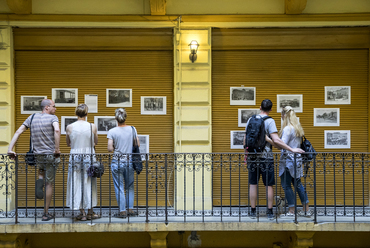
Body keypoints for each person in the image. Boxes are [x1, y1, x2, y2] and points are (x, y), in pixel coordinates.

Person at [244, 99, 304, 220]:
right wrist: (291, 149)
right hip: (266, 157)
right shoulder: (270, 121)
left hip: (252, 157)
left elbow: (245, 139)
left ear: (260, 107)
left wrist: (246, 154)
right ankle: (270, 212)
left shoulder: (251, 119)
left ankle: (252, 211)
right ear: (271, 109)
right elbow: (276, 141)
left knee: (253, 184)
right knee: (269, 185)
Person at [8, 99, 60, 221]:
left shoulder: (31, 117)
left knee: (41, 171)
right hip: (50, 156)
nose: (55, 108)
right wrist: (57, 149)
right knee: (49, 183)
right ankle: (45, 213)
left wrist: (10, 149)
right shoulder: (53, 118)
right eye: (54, 106)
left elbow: (18, 131)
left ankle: (39, 180)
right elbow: (57, 130)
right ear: (47, 107)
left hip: (37, 155)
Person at [66, 104, 99, 221]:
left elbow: (68, 143)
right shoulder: (92, 126)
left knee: (76, 182)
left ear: (76, 113)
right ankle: (90, 211)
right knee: (89, 181)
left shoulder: (69, 127)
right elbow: (96, 142)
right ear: (87, 113)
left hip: (75, 156)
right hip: (89, 155)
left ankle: (82, 212)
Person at [278, 106, 310, 217]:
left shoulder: (287, 129)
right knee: (298, 184)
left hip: (288, 160)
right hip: (296, 160)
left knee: (286, 185)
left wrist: (270, 140)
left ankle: (291, 210)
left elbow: (282, 146)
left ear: (284, 115)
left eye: (281, 116)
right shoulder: (297, 128)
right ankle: (306, 210)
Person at [107, 108, 139, 218]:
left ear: (116, 118)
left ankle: (122, 211)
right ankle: (130, 209)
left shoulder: (112, 131)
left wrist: (117, 145)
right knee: (129, 186)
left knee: (119, 187)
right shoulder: (132, 129)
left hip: (117, 161)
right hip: (129, 161)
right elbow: (137, 143)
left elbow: (110, 149)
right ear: (126, 117)